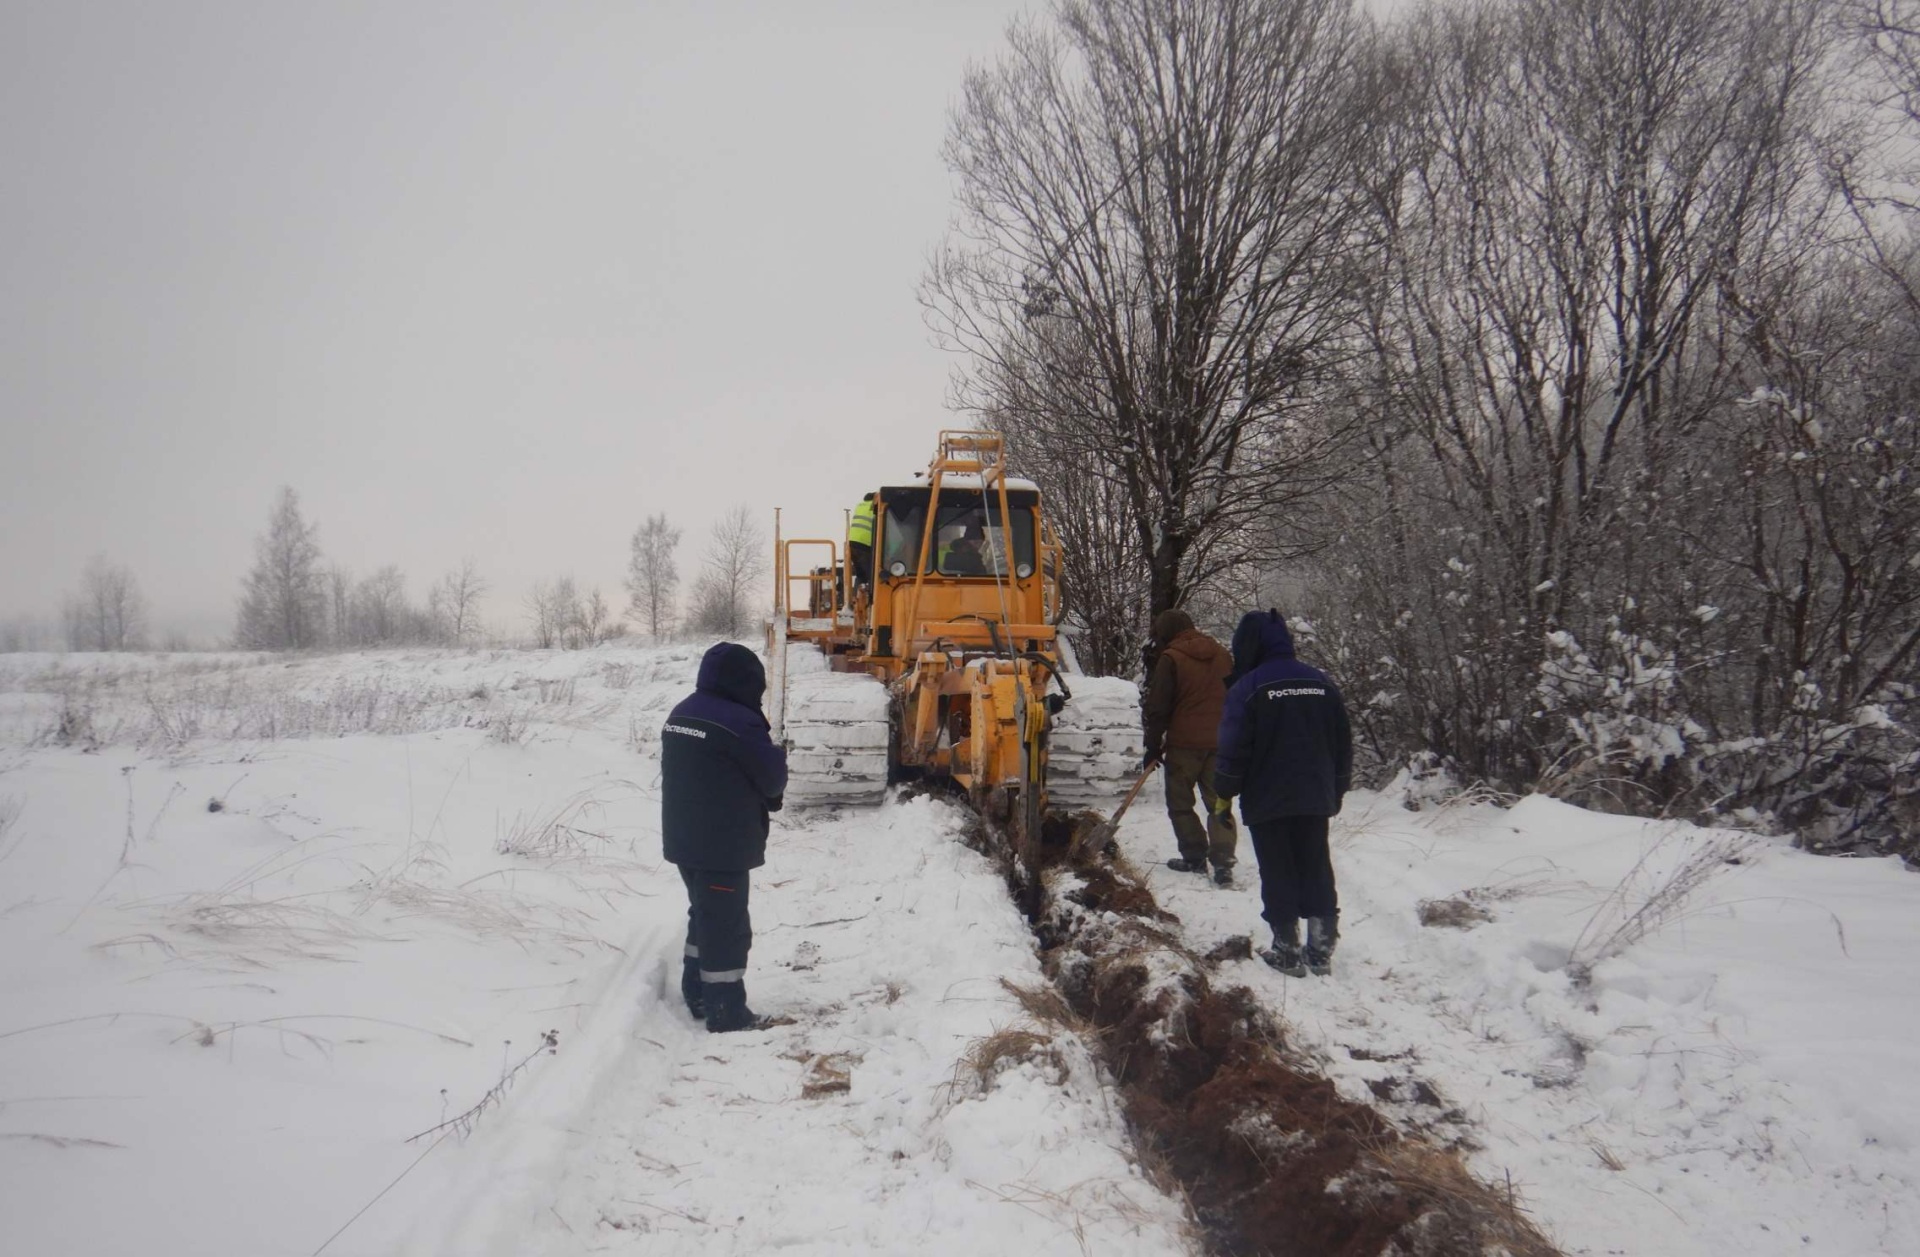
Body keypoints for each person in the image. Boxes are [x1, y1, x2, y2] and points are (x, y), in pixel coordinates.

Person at [1213, 609, 1352, 976]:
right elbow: (1342, 743)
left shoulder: (1249, 687)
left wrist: (1223, 794)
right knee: (1315, 863)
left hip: (1268, 796)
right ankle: (1321, 950)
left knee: (1278, 869)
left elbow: (1232, 747)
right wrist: (1336, 789)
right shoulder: (1321, 682)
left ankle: (1287, 950)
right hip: (1315, 795)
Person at [661, 641, 789, 1031]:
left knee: (704, 915)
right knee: (727, 927)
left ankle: (697, 993)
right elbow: (771, 781)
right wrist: (777, 757)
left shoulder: (681, 712)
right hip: (724, 844)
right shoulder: (740, 722)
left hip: (685, 840)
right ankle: (726, 1011)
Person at [1140, 609, 1236, 885]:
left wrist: (1152, 744)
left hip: (1184, 744)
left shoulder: (1171, 658)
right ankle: (1223, 861)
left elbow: (1159, 706)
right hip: (1220, 741)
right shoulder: (1222, 654)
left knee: (1181, 803)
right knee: (1219, 802)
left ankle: (1195, 856)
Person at [848, 493, 875, 589]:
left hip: (852, 544)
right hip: (864, 544)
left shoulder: (859, 506)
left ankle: (856, 598)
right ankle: (872, 598)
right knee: (872, 575)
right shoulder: (873, 507)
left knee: (860, 574)